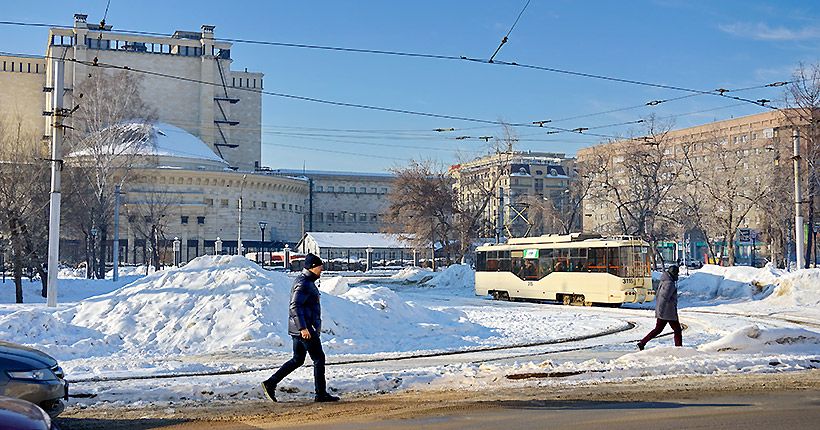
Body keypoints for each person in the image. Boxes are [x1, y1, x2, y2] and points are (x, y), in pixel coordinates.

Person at [262, 253, 340, 402]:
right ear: (312, 267)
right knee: (319, 359)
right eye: (320, 267)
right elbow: (295, 306)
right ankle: (321, 394)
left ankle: (270, 383)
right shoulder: (304, 283)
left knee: (298, 359)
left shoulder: (306, 281)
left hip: (301, 328)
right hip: (306, 329)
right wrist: (303, 328)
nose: (321, 270)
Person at [637, 265, 682, 350]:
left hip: (665, 311)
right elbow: (663, 297)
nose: (677, 275)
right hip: (668, 312)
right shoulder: (669, 283)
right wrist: (661, 310)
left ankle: (642, 343)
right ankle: (679, 348)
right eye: (677, 273)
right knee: (677, 330)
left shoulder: (664, 281)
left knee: (658, 329)